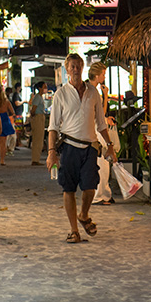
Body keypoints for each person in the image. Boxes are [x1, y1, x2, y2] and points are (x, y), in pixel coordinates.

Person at [47, 54, 116, 243]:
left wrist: (110, 146)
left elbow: (101, 123)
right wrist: (52, 153)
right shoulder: (60, 94)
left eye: (78, 66)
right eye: (72, 66)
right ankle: (73, 230)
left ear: (83, 68)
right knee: (68, 188)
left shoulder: (93, 93)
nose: (76, 69)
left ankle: (84, 214)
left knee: (90, 186)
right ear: (67, 69)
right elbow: (53, 127)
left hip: (90, 147)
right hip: (68, 147)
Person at [87, 61, 122, 204]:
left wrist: (105, 95)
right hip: (96, 131)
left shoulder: (93, 90)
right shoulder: (91, 91)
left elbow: (101, 111)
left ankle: (104, 193)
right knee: (102, 164)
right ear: (97, 75)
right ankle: (100, 195)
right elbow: (97, 113)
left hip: (96, 128)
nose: (104, 76)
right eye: (103, 74)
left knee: (103, 164)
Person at [0, 84, 16, 167]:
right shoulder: (6, 101)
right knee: (3, 143)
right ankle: (2, 160)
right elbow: (12, 112)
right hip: (4, 120)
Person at [28, 82, 50, 165]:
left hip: (39, 117)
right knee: (37, 139)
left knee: (39, 139)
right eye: (45, 87)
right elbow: (33, 109)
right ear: (40, 88)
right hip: (38, 118)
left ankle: (36, 159)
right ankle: (35, 159)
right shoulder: (37, 97)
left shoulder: (40, 97)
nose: (46, 88)